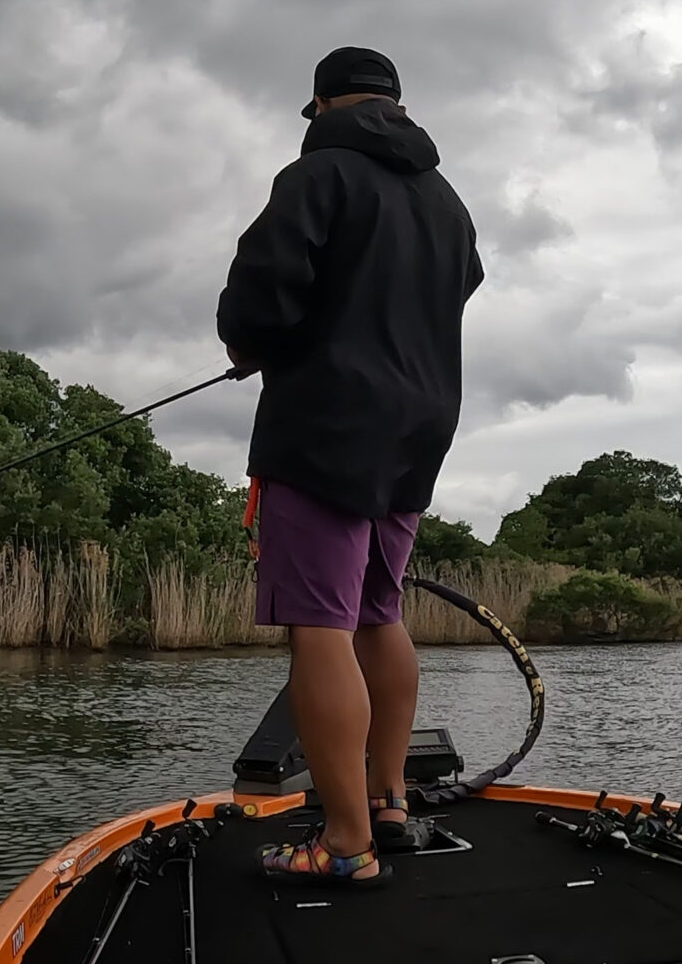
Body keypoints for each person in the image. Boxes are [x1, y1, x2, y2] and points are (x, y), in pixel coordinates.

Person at [217, 46, 483, 887]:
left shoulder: (318, 173)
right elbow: (461, 282)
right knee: (378, 608)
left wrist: (253, 345)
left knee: (319, 623)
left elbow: (262, 291)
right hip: (418, 426)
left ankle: (344, 842)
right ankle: (390, 802)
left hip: (327, 423)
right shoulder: (447, 201)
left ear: (324, 105)